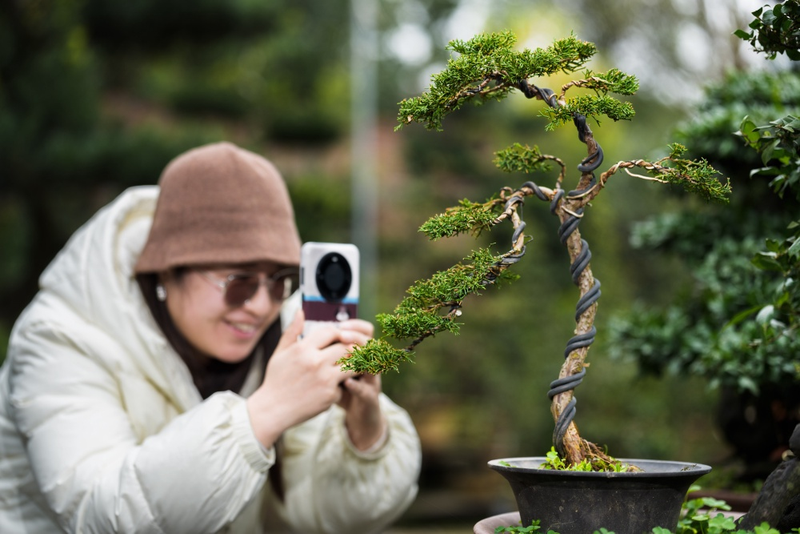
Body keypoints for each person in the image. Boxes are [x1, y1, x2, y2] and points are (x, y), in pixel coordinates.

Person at [0, 142, 422, 533]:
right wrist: (267, 411)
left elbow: (319, 513)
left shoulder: (289, 326)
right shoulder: (61, 335)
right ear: (168, 269)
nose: (260, 305)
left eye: (279, 280)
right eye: (238, 281)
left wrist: (364, 430)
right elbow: (100, 512)